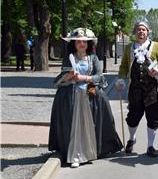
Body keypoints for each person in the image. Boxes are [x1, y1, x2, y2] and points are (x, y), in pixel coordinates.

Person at [49, 28, 123, 168]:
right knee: (74, 125)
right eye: (78, 42)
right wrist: (70, 75)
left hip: (90, 94)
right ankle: (75, 155)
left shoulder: (93, 58)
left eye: (84, 41)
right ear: (74, 43)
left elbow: (100, 77)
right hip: (72, 95)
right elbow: (60, 78)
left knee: (90, 124)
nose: (82, 44)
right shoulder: (68, 57)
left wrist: (84, 77)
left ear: (89, 44)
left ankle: (90, 152)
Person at [116, 21, 158, 157]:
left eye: (143, 30)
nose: (141, 32)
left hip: (152, 89)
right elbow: (123, 66)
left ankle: (150, 146)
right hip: (135, 89)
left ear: (148, 32)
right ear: (135, 32)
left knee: (153, 118)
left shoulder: (156, 46)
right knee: (133, 117)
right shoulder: (129, 48)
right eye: (139, 30)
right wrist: (121, 79)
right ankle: (132, 138)